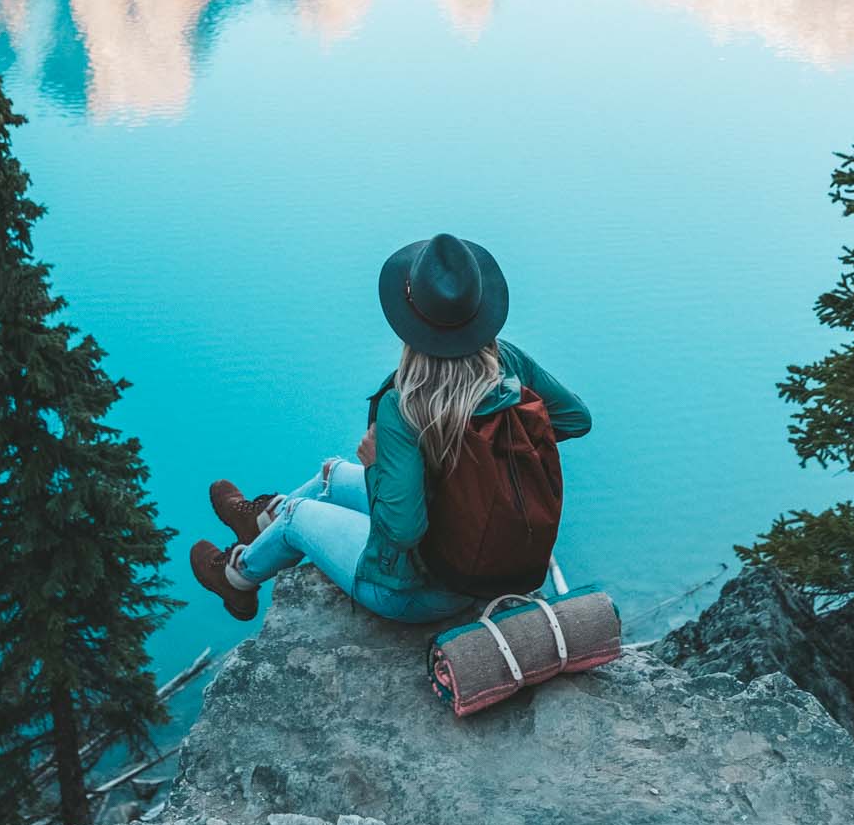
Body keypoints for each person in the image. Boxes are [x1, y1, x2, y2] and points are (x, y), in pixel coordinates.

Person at [189, 231, 591, 625]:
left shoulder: (405, 405)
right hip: (480, 552)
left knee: (298, 515)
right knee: (330, 476)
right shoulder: (509, 365)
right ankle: (259, 523)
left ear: (410, 322)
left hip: (420, 592)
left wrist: (377, 464)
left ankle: (237, 577)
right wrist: (489, 455)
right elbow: (576, 418)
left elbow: (402, 532)